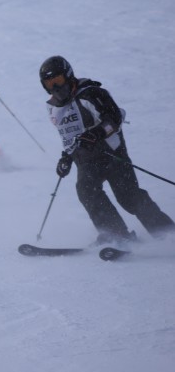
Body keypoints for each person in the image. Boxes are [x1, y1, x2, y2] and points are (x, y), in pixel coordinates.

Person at [39, 55, 175, 244]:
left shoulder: (91, 93)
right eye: (49, 83)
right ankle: (117, 234)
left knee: (128, 196)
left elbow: (114, 118)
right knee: (86, 190)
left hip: (111, 153)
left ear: (69, 76)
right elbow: (70, 138)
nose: (55, 88)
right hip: (86, 159)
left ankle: (167, 233)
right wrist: (67, 158)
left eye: (58, 81)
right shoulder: (53, 108)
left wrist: (96, 133)